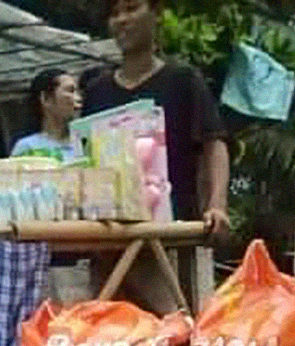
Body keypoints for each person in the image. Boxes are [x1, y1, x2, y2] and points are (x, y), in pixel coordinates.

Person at [84, 0, 230, 241]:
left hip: (173, 236)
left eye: (132, 8)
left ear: (156, 14)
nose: (122, 19)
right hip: (109, 240)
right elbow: (85, 161)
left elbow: (214, 144)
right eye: (114, 13)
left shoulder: (183, 80)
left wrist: (217, 206)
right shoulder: (96, 91)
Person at [10, 68, 82, 162]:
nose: (79, 98)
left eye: (78, 92)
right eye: (70, 91)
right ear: (46, 98)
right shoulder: (28, 148)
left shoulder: (87, 142)